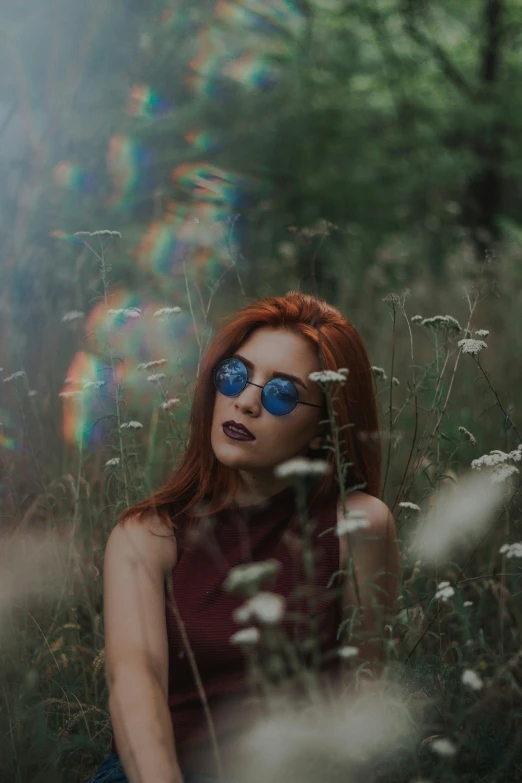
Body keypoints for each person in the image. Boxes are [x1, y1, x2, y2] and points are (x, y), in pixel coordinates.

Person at [84, 291, 401, 783]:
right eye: (235, 375)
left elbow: (361, 693)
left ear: (323, 428)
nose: (246, 401)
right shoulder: (148, 535)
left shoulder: (358, 525)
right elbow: (135, 687)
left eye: (282, 394)